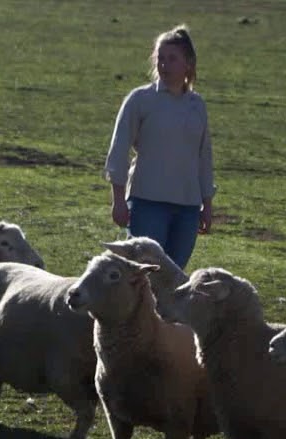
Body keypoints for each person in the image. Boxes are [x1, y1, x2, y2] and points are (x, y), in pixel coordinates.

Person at [104, 25, 215, 269]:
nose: (164, 65)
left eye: (172, 59)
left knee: (173, 276)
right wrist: (118, 200)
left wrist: (206, 205)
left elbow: (203, 157)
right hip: (147, 204)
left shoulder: (197, 105)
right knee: (143, 272)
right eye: (160, 58)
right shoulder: (140, 100)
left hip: (187, 208)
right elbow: (119, 150)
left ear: (188, 63)